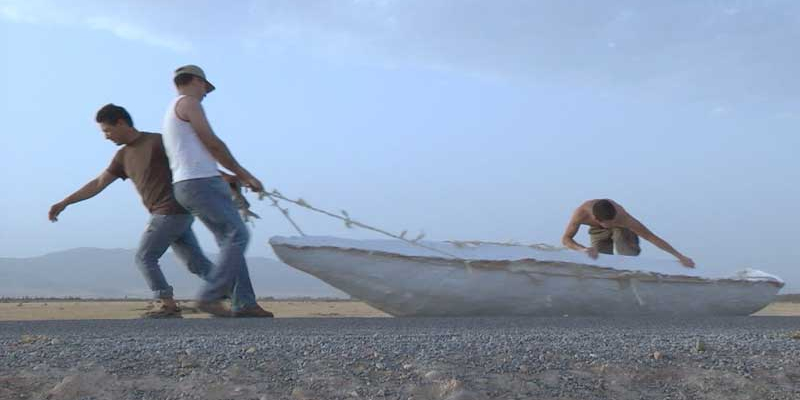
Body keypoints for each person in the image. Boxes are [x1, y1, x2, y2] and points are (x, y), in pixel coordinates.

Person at [49, 104, 272, 317]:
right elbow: (98, 183)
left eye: (107, 130)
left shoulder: (157, 142)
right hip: (174, 215)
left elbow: (191, 165)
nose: (106, 136)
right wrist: (65, 202)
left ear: (121, 123)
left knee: (145, 257)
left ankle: (167, 304)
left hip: (170, 212)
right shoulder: (122, 156)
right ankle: (239, 299)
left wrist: (227, 178)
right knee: (195, 263)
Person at [161, 64, 271, 317]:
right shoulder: (189, 103)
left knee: (229, 241)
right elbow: (212, 143)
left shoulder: (171, 111)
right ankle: (210, 296)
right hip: (200, 184)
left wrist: (228, 177)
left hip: (189, 184)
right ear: (197, 81)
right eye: (205, 87)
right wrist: (245, 174)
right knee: (239, 235)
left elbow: (191, 156)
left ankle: (244, 303)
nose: (206, 93)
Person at [561, 199, 695, 268]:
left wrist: (680, 256)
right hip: (598, 231)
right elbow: (566, 239)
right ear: (596, 219)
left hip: (623, 228)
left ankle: (630, 275)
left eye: (614, 221)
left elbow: (650, 237)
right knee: (598, 258)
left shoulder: (622, 216)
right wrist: (582, 249)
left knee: (625, 248)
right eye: (610, 223)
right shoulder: (580, 214)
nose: (612, 224)